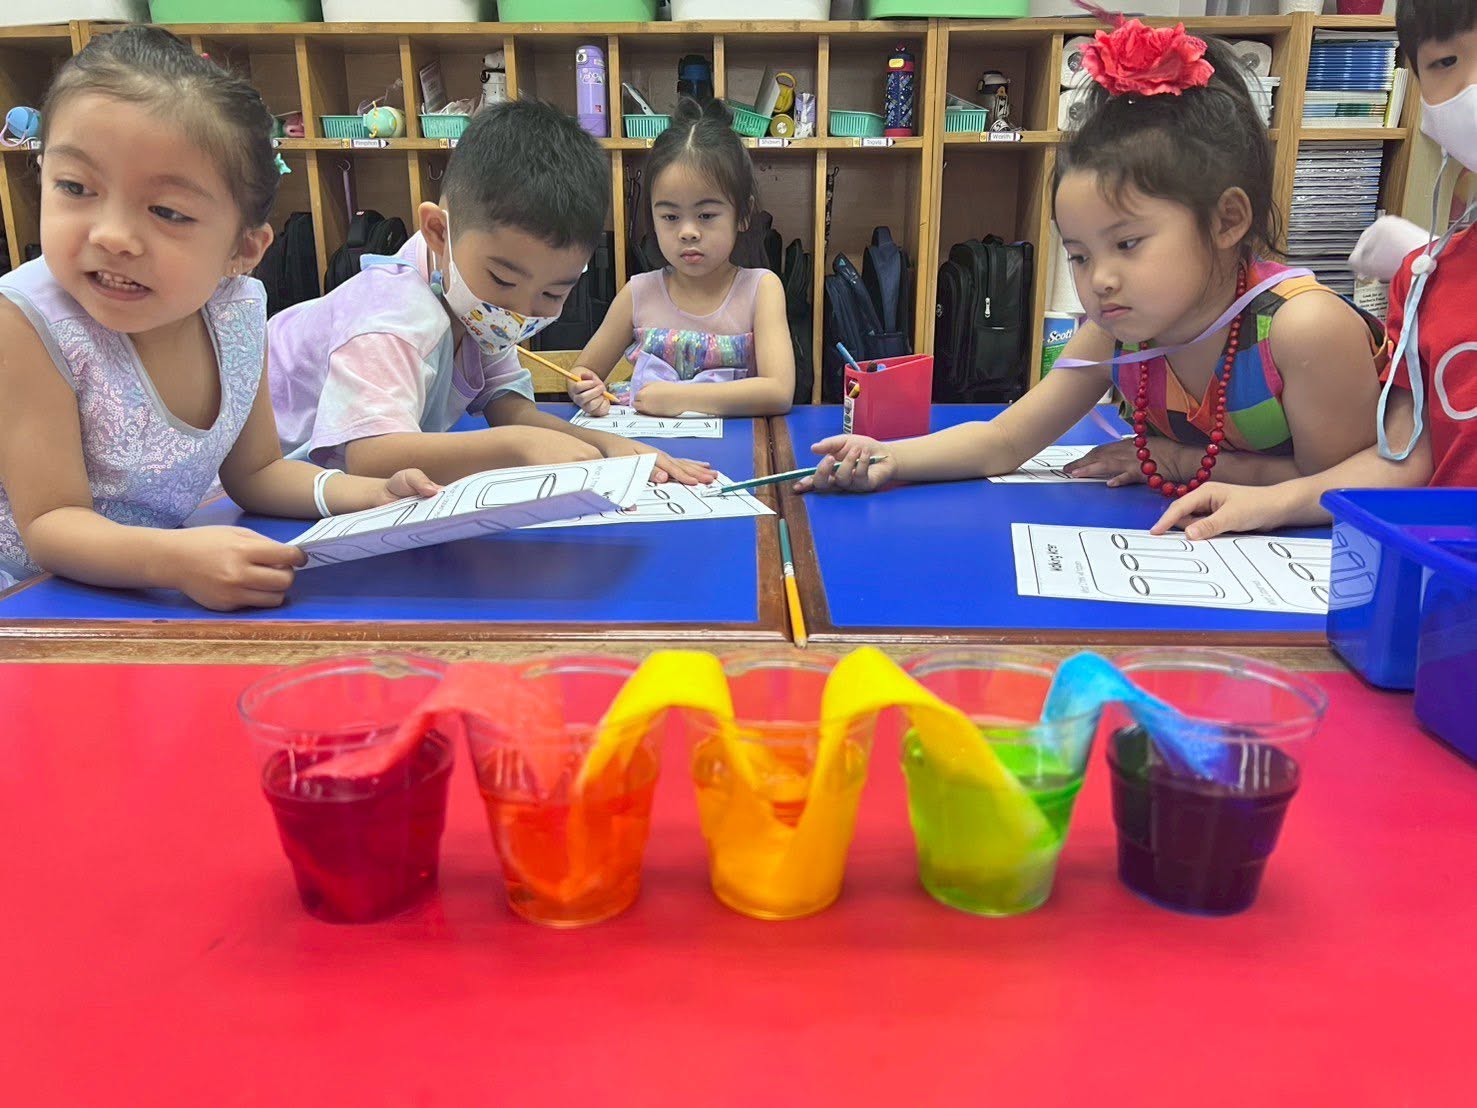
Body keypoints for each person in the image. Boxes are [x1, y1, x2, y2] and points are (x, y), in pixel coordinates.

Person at [798, 23, 1384, 503]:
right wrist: (889, 456)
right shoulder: (1118, 332)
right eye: (1078, 255)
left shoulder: (1302, 329)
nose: (1098, 279)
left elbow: (1346, 487)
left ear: (1227, 221)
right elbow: (1007, 440)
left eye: (1127, 244)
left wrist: (1176, 460)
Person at [0, 26, 436, 610]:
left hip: (144, 594)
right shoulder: (28, 320)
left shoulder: (237, 309)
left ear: (243, 250)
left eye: (167, 211)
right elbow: (50, 521)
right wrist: (175, 561)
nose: (112, 235)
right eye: (75, 187)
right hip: (31, 601)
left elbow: (257, 472)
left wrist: (370, 494)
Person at [1154, 0, 1477, 540]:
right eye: (1444, 62)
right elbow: (1404, 456)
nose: (1470, 87)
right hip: (1445, 563)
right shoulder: (1424, 277)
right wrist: (1273, 503)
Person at [268, 98, 711, 487]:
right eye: (502, 280)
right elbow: (370, 456)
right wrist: (517, 447)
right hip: (253, 494)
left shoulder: (471, 301)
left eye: (552, 294)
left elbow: (509, 408)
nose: (518, 313)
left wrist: (606, 445)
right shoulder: (392, 316)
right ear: (439, 231)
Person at [567, 98, 794, 419]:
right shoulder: (638, 292)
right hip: (643, 445)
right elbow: (583, 372)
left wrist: (681, 397)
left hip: (738, 447)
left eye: (706, 215)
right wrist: (583, 388)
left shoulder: (761, 289)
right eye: (671, 217)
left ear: (742, 215)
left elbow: (779, 392)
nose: (688, 232)